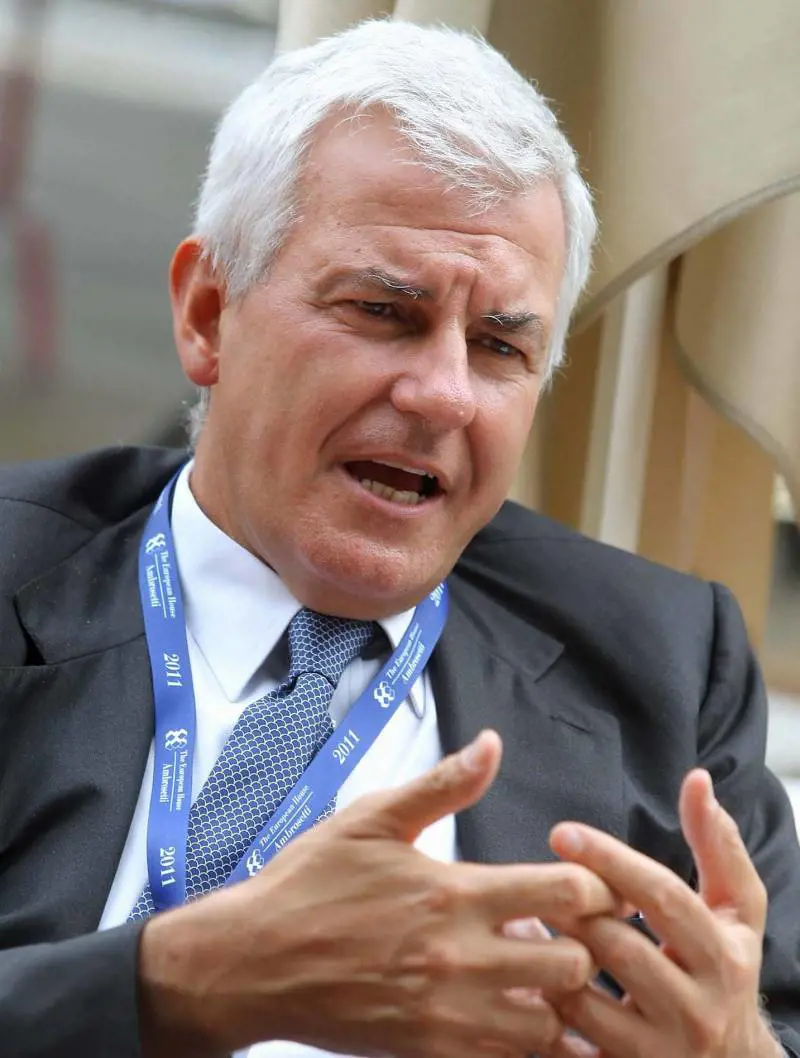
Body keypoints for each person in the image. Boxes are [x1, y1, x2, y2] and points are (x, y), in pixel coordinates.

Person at [0, 18, 798, 1058]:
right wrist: (180, 981)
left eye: (499, 345)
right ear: (208, 313)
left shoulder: (662, 663)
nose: (442, 394)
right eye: (383, 311)